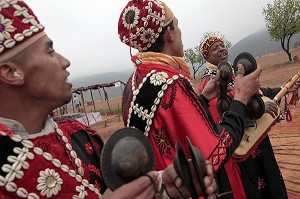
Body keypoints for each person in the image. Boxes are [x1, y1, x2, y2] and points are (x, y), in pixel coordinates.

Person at [0, 1, 217, 198]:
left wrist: (161, 188)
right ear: (11, 72)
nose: (65, 62)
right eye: (50, 52)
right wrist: (239, 104)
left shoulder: (81, 136)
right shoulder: (171, 80)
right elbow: (211, 152)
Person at [118, 0, 262, 198]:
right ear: (169, 34)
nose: (179, 33)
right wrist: (241, 98)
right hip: (185, 190)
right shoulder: (172, 83)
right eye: (176, 26)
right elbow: (215, 152)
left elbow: (171, 127)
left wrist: (201, 99)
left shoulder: (133, 82)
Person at [198, 36, 288, 198]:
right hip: (241, 152)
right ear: (207, 57)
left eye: (222, 45)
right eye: (215, 48)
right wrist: (259, 110)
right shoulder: (210, 83)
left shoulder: (231, 75)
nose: (221, 49)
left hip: (256, 142)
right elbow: (221, 118)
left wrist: (282, 89)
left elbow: (258, 94)